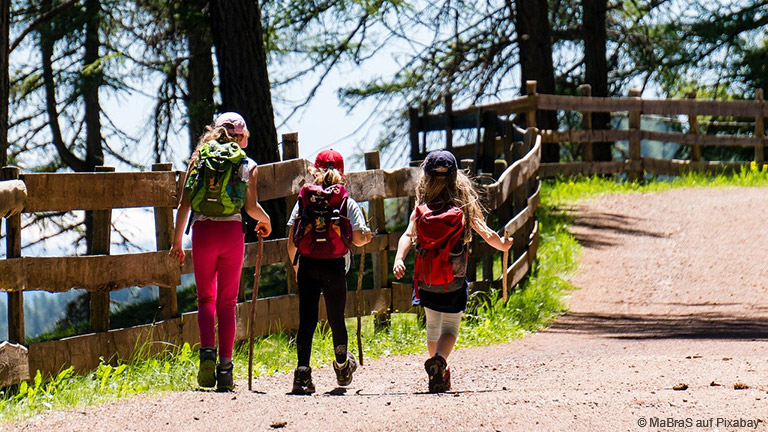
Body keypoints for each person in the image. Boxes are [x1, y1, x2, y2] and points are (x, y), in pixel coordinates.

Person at [392, 150, 512, 393]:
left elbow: (407, 235)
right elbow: (485, 232)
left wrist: (399, 258)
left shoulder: (421, 208)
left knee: (433, 327)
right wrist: (503, 244)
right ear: (456, 178)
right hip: (454, 280)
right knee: (450, 329)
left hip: (426, 281)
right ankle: (440, 362)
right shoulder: (463, 206)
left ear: (425, 178)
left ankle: (439, 368)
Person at [169, 112, 272, 392]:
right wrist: (266, 221)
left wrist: (177, 242)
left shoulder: (199, 159)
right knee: (227, 303)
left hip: (203, 232)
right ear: (242, 137)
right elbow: (250, 208)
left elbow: (184, 205)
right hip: (231, 234)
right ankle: (225, 369)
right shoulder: (247, 164)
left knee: (205, 299)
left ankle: (206, 354)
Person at [286, 149, 372, 394]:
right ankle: (342, 367)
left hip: (308, 264)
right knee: (336, 319)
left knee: (307, 320)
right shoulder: (346, 201)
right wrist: (366, 236)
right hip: (335, 265)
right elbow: (356, 238)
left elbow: (292, 240)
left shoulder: (304, 200)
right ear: (342, 173)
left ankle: (302, 375)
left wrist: (296, 265)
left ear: (315, 171)